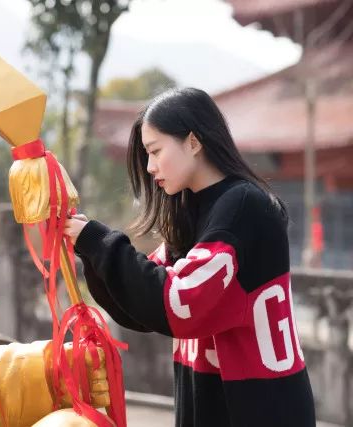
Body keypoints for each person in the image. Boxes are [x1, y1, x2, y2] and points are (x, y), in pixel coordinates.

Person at [64, 88, 315, 427]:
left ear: (193, 142)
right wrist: (87, 245)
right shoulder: (192, 209)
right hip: (210, 401)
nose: (151, 167)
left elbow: (177, 300)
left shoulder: (242, 206)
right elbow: (143, 305)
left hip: (259, 406)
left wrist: (97, 240)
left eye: (155, 151)